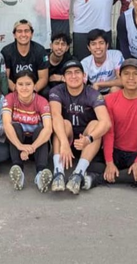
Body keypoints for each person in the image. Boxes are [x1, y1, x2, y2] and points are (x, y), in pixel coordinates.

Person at [86, 59, 137, 194]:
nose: (131, 78)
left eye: (136, 74)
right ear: (120, 77)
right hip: (115, 151)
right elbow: (109, 132)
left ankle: (99, 179)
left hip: (136, 153)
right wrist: (109, 162)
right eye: (126, 74)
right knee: (89, 162)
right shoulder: (110, 99)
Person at [48, 59, 111, 195]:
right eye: (69, 73)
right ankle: (58, 173)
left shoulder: (93, 93)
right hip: (66, 141)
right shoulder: (56, 91)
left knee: (95, 124)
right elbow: (55, 116)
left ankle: (78, 174)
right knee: (64, 123)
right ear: (63, 78)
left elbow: (106, 122)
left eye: (77, 72)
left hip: (86, 143)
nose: (73, 76)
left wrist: (88, 139)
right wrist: (64, 142)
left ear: (84, 76)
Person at [3, 71, 53, 192]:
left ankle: (40, 175)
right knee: (15, 126)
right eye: (20, 84)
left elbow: (48, 129)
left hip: (37, 144)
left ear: (34, 85)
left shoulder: (42, 101)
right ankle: (18, 172)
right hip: (18, 142)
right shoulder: (10, 98)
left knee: (40, 129)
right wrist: (20, 146)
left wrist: (32, 147)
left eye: (28, 84)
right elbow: (6, 124)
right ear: (15, 86)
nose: (24, 88)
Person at [1, 19, 49, 93]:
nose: (23, 34)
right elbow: (5, 78)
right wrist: (16, 89)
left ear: (31, 34)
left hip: (34, 89)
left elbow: (43, 78)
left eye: (26, 31)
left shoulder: (40, 50)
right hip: (14, 89)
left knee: (46, 92)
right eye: (19, 31)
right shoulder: (6, 51)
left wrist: (33, 90)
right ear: (14, 35)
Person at [81, 29, 124, 94]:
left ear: (107, 45)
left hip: (112, 90)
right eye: (93, 44)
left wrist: (99, 84)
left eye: (101, 43)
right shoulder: (85, 63)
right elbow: (81, 85)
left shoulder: (115, 55)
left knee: (115, 89)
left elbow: (123, 80)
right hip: (95, 91)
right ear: (89, 48)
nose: (98, 47)